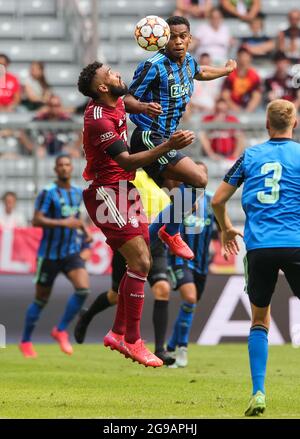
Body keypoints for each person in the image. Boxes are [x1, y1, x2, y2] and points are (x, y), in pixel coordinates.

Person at [77, 61, 195, 368]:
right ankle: (132, 340)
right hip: (108, 191)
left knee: (137, 263)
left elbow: (127, 99)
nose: (118, 74)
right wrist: (169, 144)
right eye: (111, 74)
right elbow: (127, 162)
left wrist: (142, 106)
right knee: (141, 262)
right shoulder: (99, 120)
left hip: (126, 191)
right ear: (102, 87)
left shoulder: (114, 101)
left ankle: (118, 333)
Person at [211, 99, 300, 416]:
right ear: (294, 123)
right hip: (296, 243)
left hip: (260, 246)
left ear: (266, 124)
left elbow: (218, 200)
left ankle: (258, 393)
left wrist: (226, 228)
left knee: (260, 320)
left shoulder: (250, 155)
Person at [124, 15, 236, 259]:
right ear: (163, 40)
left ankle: (145, 249)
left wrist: (225, 71)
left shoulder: (188, 63)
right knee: (199, 178)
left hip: (167, 138)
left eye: (182, 36)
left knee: (183, 203)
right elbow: (126, 99)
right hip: (148, 137)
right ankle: (170, 234)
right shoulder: (153, 66)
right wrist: (144, 107)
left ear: (190, 39)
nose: (177, 41)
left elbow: (201, 71)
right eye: (172, 37)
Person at [74, 170, 175, 365]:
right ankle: (87, 317)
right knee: (116, 295)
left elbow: (171, 213)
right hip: (130, 243)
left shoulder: (162, 181)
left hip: (155, 245)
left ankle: (160, 348)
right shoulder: (130, 175)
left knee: (162, 289)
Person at [19, 154, 92, 358]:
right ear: (55, 169)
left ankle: (60, 330)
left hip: (71, 252)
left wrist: (86, 235)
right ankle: (25, 341)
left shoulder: (78, 193)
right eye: (60, 165)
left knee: (83, 289)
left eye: (67, 164)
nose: (64, 168)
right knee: (41, 299)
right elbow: (36, 220)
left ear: (72, 168)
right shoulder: (48, 193)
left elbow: (76, 219)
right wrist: (63, 223)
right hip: (49, 255)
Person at [166, 163, 217, 367]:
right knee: (190, 297)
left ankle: (169, 347)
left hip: (202, 262)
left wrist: (222, 243)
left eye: (203, 172)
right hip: (179, 260)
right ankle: (182, 349)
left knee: (191, 304)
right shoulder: (180, 199)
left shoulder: (212, 202)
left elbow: (220, 227)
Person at [221, 47, 262, 113]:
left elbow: (257, 96)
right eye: (241, 56)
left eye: (246, 56)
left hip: (249, 108)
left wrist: (248, 110)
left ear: (250, 58)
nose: (243, 58)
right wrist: (235, 108)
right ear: (238, 57)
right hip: (232, 108)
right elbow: (225, 95)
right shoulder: (231, 75)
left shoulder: (254, 76)